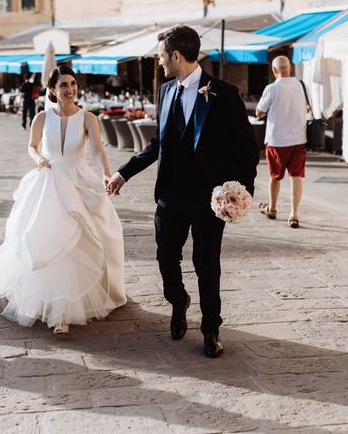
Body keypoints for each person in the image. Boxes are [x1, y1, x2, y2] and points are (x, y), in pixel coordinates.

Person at [106, 25, 259, 358]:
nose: (159, 62)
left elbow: (248, 146)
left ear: (176, 56)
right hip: (170, 195)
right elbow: (159, 143)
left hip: (210, 198)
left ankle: (211, 330)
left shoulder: (224, 92)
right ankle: (178, 301)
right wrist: (124, 173)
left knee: (207, 264)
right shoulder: (165, 91)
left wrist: (240, 190)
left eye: (161, 56)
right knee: (165, 257)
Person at [0, 65, 126, 335]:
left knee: (81, 241)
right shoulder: (40, 118)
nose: (70, 89)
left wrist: (107, 175)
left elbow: (96, 150)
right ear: (51, 90)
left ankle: (66, 310)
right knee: (47, 238)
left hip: (79, 181)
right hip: (48, 180)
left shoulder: (88, 118)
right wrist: (39, 160)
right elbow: (32, 146)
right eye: (63, 85)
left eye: (73, 84)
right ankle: (55, 310)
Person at [255, 56, 308, 229]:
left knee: (275, 176)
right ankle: (294, 214)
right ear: (290, 68)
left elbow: (259, 112)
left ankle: (273, 208)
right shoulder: (301, 85)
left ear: (274, 70)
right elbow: (308, 107)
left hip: (277, 139)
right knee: (296, 176)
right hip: (299, 138)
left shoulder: (271, 88)